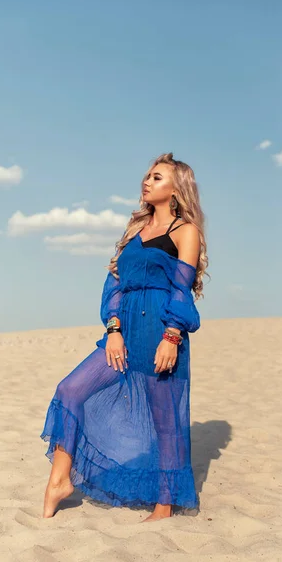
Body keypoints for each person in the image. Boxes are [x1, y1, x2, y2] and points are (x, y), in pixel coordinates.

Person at [40, 152, 208, 522]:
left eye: (158, 177)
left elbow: (181, 291)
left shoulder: (184, 231)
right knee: (70, 389)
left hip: (160, 331)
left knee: (165, 419)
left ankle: (164, 505)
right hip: (124, 332)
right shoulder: (134, 232)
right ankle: (59, 481)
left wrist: (172, 336)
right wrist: (113, 329)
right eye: (147, 175)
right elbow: (112, 284)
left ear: (177, 189)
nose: (147, 181)